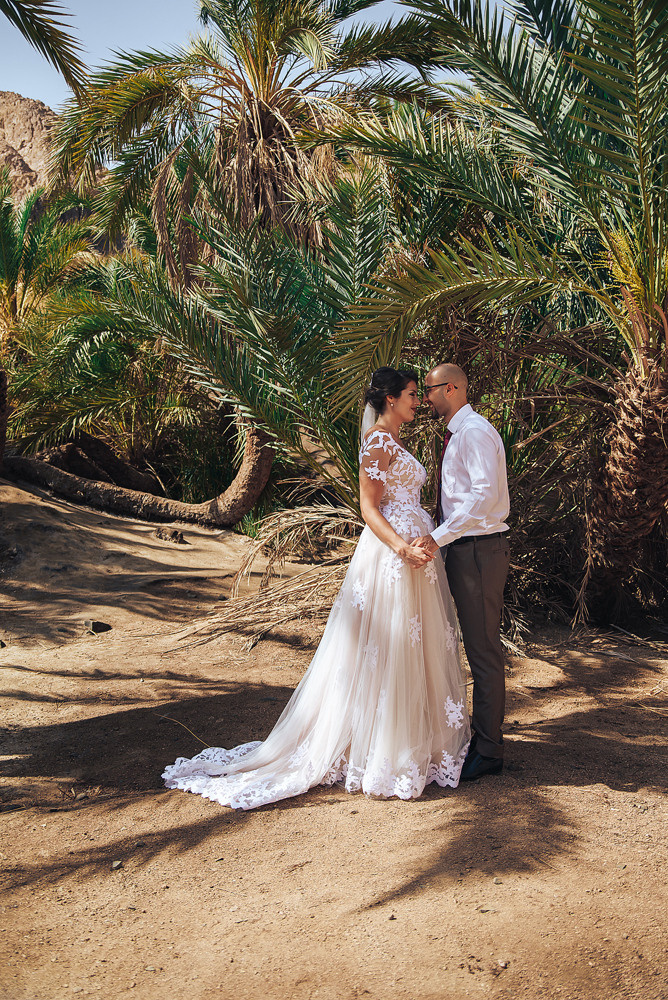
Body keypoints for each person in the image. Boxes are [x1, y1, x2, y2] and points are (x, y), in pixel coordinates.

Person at [163, 367, 471, 809]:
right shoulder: (379, 442)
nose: (416, 401)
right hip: (393, 555)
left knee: (413, 646)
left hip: (416, 554)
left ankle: (417, 742)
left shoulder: (396, 439)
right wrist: (403, 547)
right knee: (392, 647)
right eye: (409, 394)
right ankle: (385, 750)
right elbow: (369, 507)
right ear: (388, 399)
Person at [411, 364, 510, 781]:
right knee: (470, 643)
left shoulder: (474, 432)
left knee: (483, 648)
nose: (425, 398)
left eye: (429, 390)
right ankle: (479, 738)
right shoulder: (458, 433)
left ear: (452, 388)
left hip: (478, 552)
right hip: (464, 549)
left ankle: (489, 750)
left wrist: (437, 537)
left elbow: (484, 498)